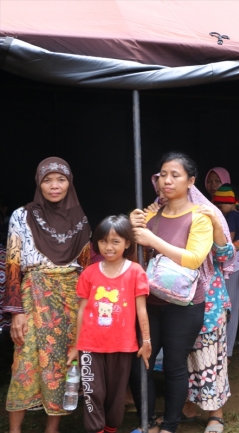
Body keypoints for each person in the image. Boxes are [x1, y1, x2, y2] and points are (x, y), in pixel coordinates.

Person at [5, 157, 92, 433]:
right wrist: (15, 312)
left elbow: (87, 270)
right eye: (47, 180)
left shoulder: (80, 219)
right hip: (33, 295)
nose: (54, 185)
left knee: (61, 362)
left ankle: (51, 429)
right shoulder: (22, 215)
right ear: (38, 183)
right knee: (24, 361)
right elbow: (13, 266)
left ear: (70, 183)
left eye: (61, 179)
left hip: (70, 298)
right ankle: (15, 430)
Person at [129, 152, 213, 433]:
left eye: (175, 175)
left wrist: (153, 239)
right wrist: (132, 226)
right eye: (163, 174)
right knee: (141, 363)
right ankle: (148, 421)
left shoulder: (200, 217)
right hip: (149, 301)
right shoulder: (150, 214)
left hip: (185, 304)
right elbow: (130, 252)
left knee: (175, 365)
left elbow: (193, 259)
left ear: (191, 181)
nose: (167, 180)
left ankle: (169, 426)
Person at [149, 173, 236, 432]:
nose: (164, 186)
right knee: (179, 356)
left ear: (189, 183)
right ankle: (185, 406)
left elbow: (226, 255)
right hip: (169, 297)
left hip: (206, 295)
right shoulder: (156, 215)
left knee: (207, 355)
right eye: (160, 182)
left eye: (173, 178)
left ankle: (215, 414)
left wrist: (218, 229)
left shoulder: (205, 213)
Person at [67, 215, 152, 433]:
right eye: (104, 241)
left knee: (116, 395)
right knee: (92, 391)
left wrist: (146, 341)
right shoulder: (89, 273)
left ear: (127, 243)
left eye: (115, 241)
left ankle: (111, 428)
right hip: (90, 344)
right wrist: (77, 345)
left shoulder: (135, 272)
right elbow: (82, 310)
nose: (109, 247)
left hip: (123, 345)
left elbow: (142, 309)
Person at [204, 168, 239, 358]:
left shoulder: (237, 213)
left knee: (230, 307)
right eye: (209, 181)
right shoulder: (205, 207)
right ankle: (211, 349)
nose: (213, 186)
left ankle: (226, 351)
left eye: (217, 181)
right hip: (209, 266)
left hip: (232, 267)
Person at [212, 184, 239, 250]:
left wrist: (225, 247)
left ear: (230, 203)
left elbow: (231, 235)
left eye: (220, 206)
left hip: (237, 244)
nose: (219, 210)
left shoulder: (231, 216)